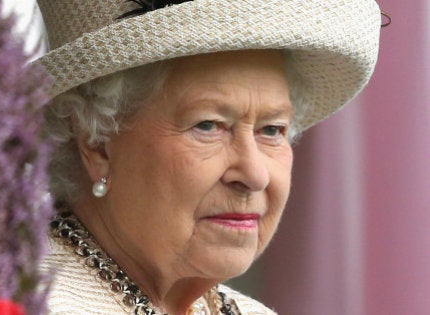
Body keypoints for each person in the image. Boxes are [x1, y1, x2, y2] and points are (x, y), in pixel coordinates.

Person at [34, 0, 383, 314]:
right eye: (208, 126)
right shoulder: (25, 302)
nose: (254, 174)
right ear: (98, 142)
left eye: (272, 130)